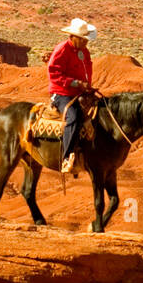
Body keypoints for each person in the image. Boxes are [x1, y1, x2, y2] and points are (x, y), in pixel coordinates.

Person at [47, 18, 97, 174]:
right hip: (61, 93)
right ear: (73, 37)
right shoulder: (62, 50)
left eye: (86, 40)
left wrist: (86, 86)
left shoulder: (84, 51)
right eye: (83, 40)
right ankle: (67, 157)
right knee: (74, 117)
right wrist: (75, 83)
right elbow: (54, 74)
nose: (85, 43)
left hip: (80, 92)